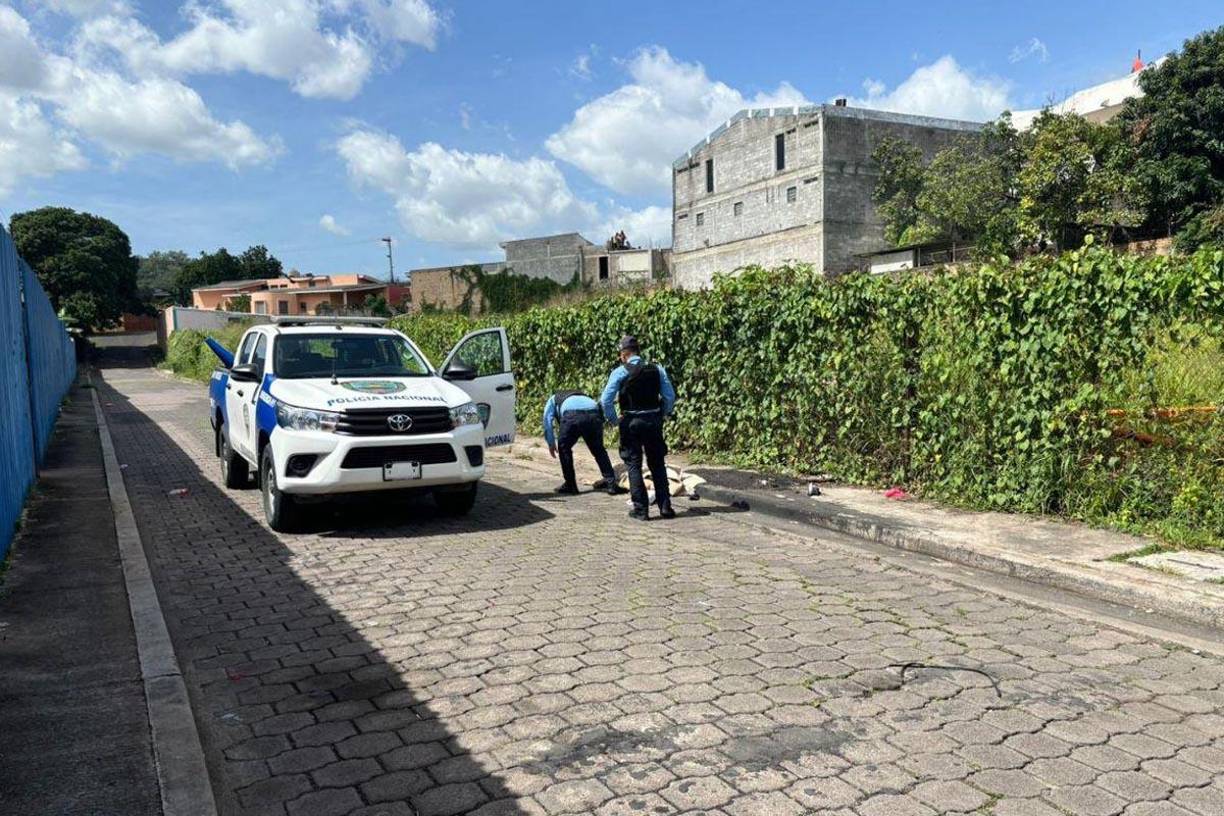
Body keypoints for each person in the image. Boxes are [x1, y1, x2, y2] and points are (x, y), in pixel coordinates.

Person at [600, 335, 677, 520]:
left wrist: (614, 420)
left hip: (631, 422)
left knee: (633, 464)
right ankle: (665, 507)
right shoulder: (657, 369)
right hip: (653, 421)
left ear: (623, 355)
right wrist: (661, 413)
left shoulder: (620, 372)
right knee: (657, 463)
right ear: (638, 352)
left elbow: (605, 400)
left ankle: (641, 510)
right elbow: (670, 397)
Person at [543, 389, 621, 495]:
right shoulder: (584, 397)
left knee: (564, 448)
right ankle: (611, 484)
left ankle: (571, 485)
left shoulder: (553, 399)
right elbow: (599, 407)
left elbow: (547, 420)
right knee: (599, 450)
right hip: (594, 414)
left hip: (572, 417)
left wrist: (551, 443)